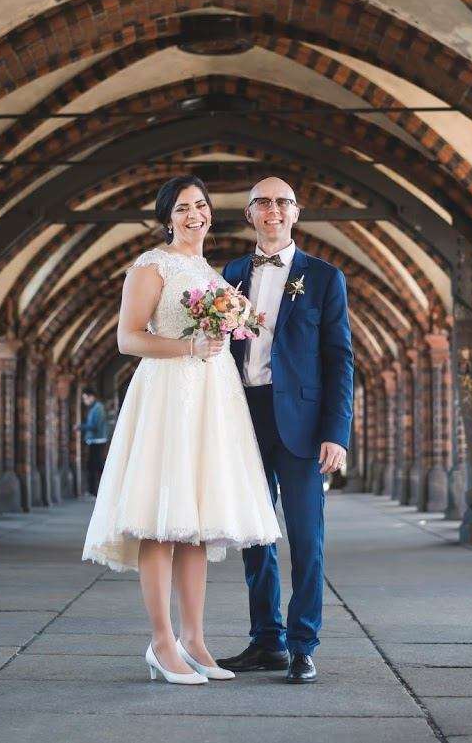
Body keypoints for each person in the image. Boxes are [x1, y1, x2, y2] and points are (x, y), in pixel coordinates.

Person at [82, 175, 281, 685]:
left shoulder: (208, 271)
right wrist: (189, 348)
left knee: (195, 524)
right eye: (183, 208)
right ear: (167, 217)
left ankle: (195, 639)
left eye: (201, 206)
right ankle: (161, 642)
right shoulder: (152, 265)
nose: (195, 215)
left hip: (212, 399)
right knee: (160, 519)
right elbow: (129, 338)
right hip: (169, 395)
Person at [216, 177, 354, 684]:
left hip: (302, 423)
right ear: (249, 214)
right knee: (255, 534)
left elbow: (340, 360)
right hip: (243, 416)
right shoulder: (228, 276)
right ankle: (266, 641)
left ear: (296, 213)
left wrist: (336, 432)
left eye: (282, 202)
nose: (272, 210)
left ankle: (302, 645)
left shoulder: (323, 277)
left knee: (306, 536)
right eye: (262, 203)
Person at [75, 388, 108, 497]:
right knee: (94, 466)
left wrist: (80, 427)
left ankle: (95, 491)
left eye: (85, 398)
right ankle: (93, 490)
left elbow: (95, 426)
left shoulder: (98, 408)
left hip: (97, 441)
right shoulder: (94, 408)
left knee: (96, 466)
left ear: (91, 397)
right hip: (94, 440)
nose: (85, 401)